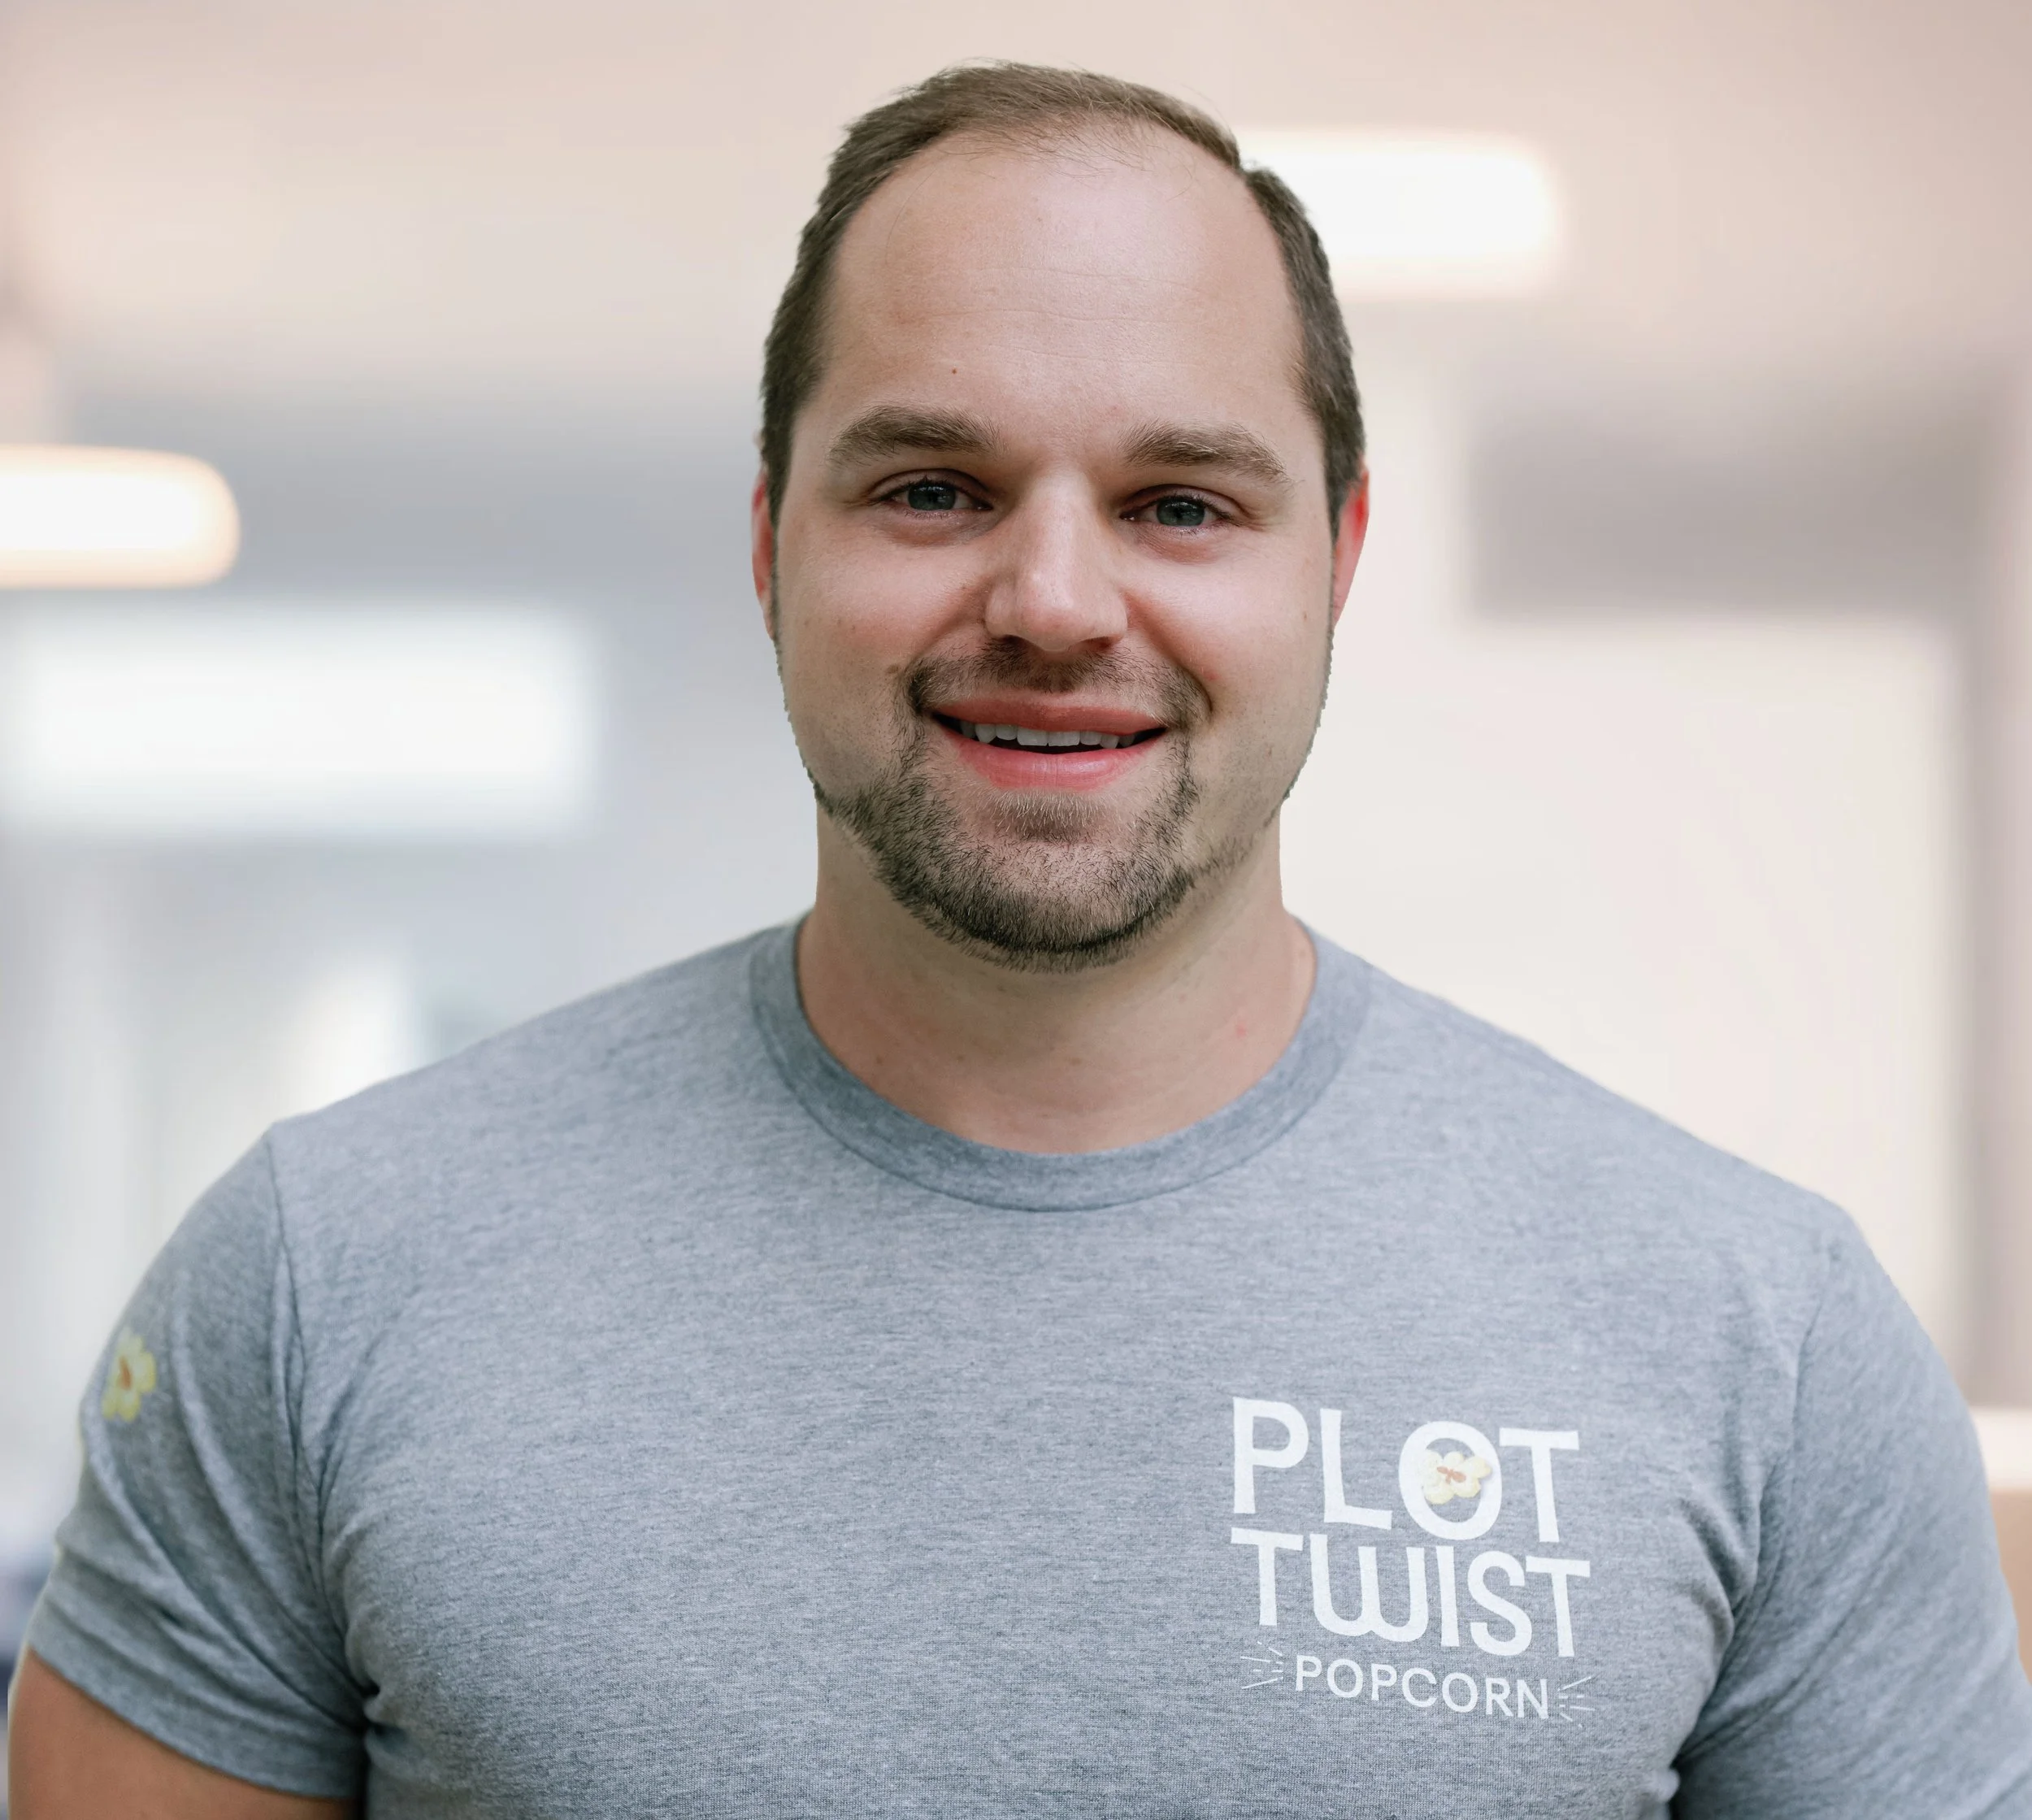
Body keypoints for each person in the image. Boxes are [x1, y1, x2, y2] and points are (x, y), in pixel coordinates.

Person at [7, 60, 2030, 1819]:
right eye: (931, 486)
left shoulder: (1756, 1341)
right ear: (768, 545)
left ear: (1334, 561)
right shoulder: (324, 1277)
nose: (1054, 601)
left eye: (1180, 504)